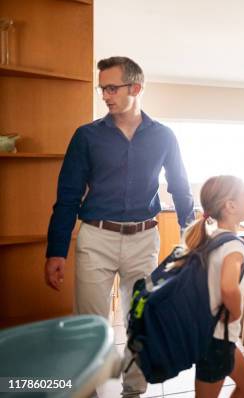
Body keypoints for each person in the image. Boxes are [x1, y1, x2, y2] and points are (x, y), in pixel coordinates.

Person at [44, 56, 195, 397]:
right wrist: (56, 251)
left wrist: (193, 239)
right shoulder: (86, 137)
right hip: (95, 238)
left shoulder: (164, 137)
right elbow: (67, 197)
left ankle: (134, 392)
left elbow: (181, 189)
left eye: (111, 88)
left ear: (135, 88)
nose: (105, 95)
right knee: (91, 327)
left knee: (140, 321)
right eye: (102, 89)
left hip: (144, 239)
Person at [180, 175, 244, 398]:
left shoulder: (213, 237)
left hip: (215, 336)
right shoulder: (233, 245)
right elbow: (228, 287)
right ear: (230, 206)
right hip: (216, 339)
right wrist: (237, 312)